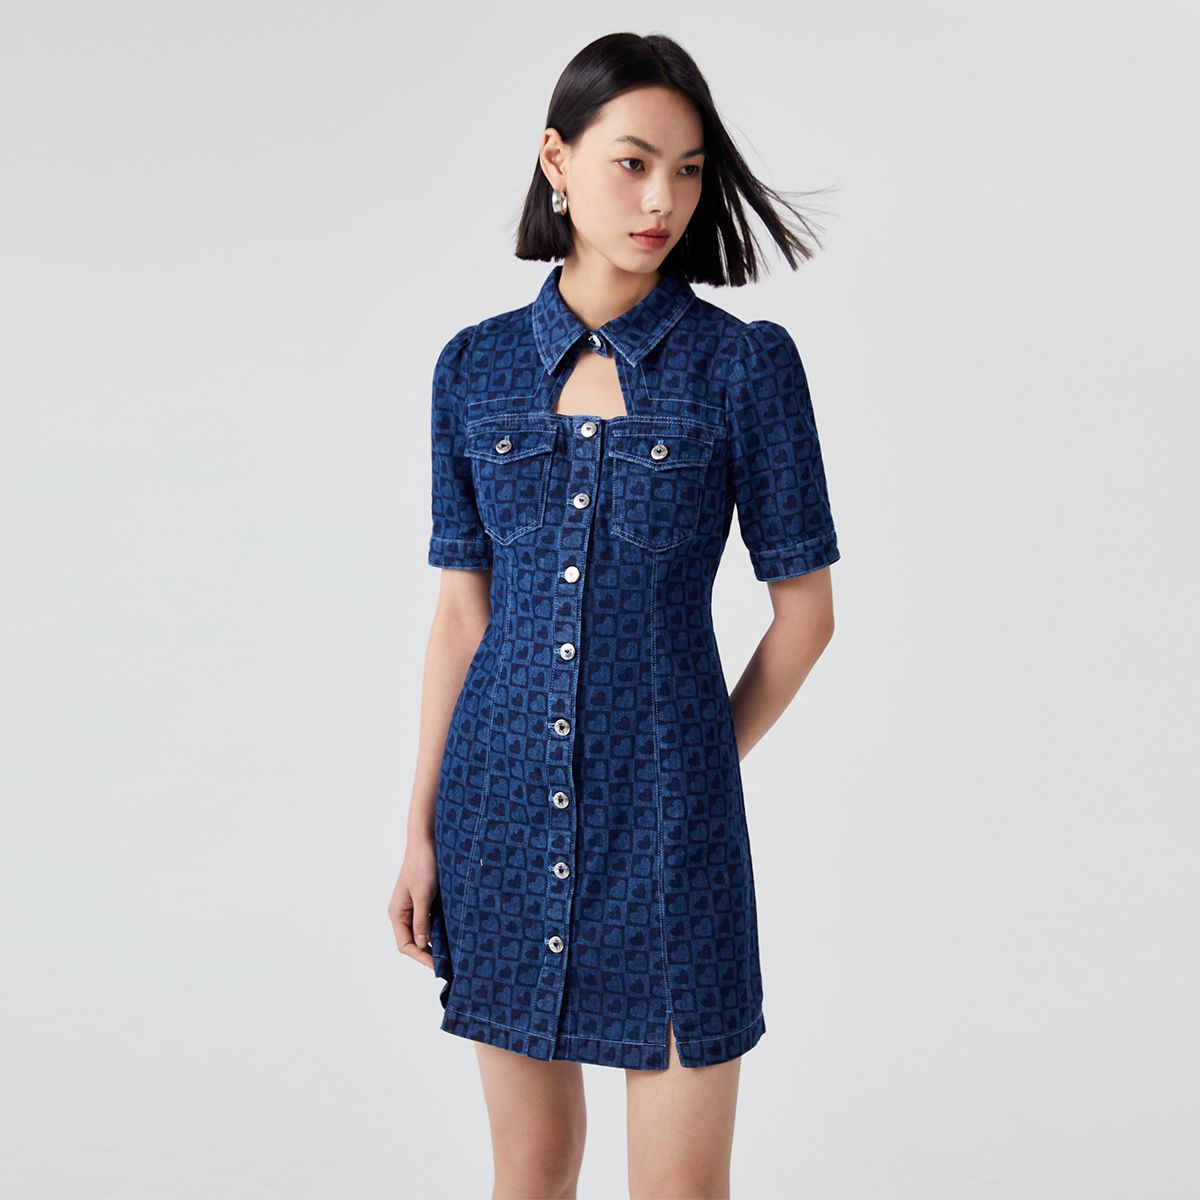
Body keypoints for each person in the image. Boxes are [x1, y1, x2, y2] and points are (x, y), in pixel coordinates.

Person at [387, 30, 842, 1200]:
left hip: (674, 836)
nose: (661, 201)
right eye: (633, 163)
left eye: (687, 171)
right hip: (496, 818)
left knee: (682, 1189)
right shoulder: (474, 369)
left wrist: (691, 761)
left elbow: (806, 615)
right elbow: (461, 615)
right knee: (531, 1170)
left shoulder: (745, 370)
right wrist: (421, 831)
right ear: (558, 159)